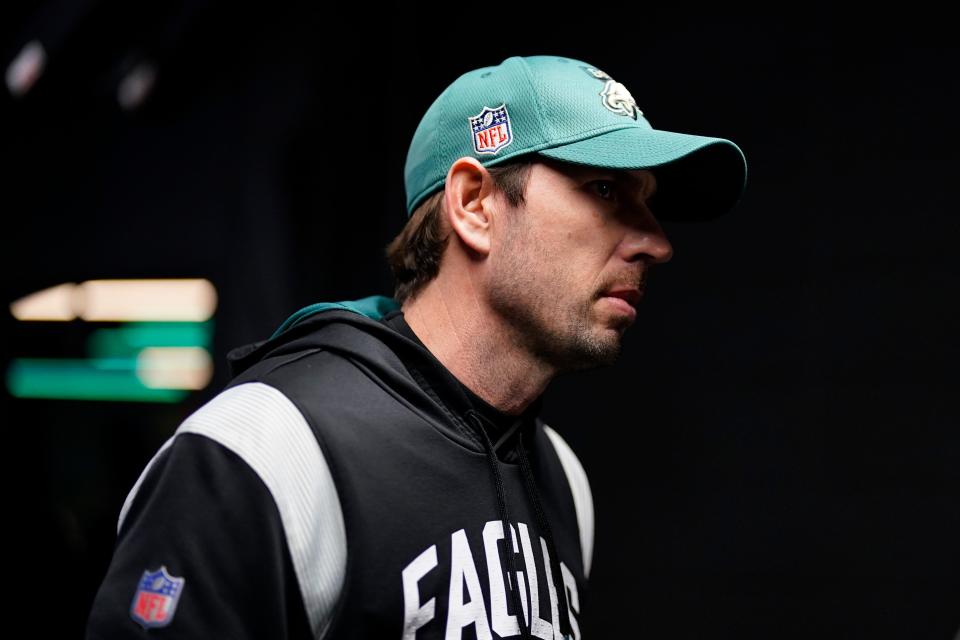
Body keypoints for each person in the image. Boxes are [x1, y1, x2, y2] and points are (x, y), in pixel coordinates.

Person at [85, 54, 747, 639]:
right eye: (605, 189)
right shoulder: (269, 448)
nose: (656, 243)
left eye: (650, 203)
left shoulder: (562, 479)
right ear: (475, 204)